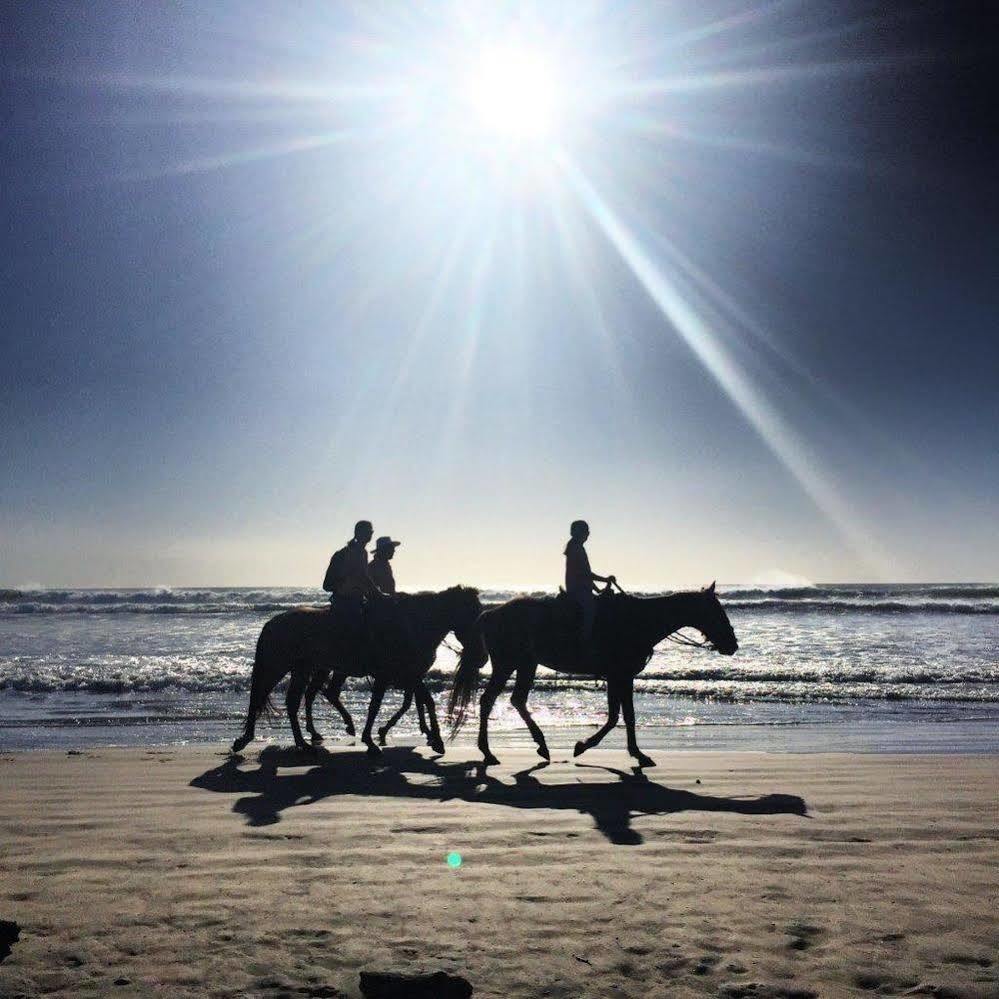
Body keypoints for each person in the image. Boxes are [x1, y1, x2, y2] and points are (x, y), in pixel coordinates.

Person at [564, 520, 615, 642]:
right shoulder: (576, 548)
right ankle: (584, 640)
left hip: (582, 588)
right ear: (578, 533)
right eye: (586, 532)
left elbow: (585, 576)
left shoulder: (577, 547)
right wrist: (605, 579)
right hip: (577, 589)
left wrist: (597, 589)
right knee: (590, 609)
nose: (587, 534)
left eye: (588, 532)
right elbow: (584, 574)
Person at [323, 520, 379, 625]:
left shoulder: (362, 552)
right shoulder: (348, 553)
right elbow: (363, 577)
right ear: (359, 533)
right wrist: (378, 593)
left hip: (357, 599)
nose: (371, 534)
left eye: (371, 532)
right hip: (346, 601)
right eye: (369, 531)